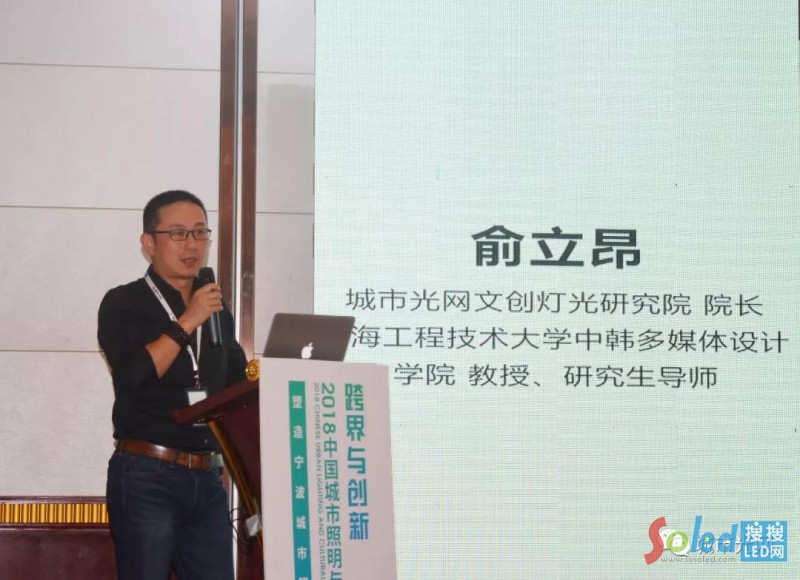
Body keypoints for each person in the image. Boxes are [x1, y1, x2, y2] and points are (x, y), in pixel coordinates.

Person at [98, 190, 247, 580]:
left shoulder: (216, 311)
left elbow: (235, 385)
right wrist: (188, 320)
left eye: (200, 233)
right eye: (178, 233)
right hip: (148, 474)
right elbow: (133, 377)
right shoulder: (124, 303)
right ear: (149, 243)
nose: (192, 244)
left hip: (207, 477)